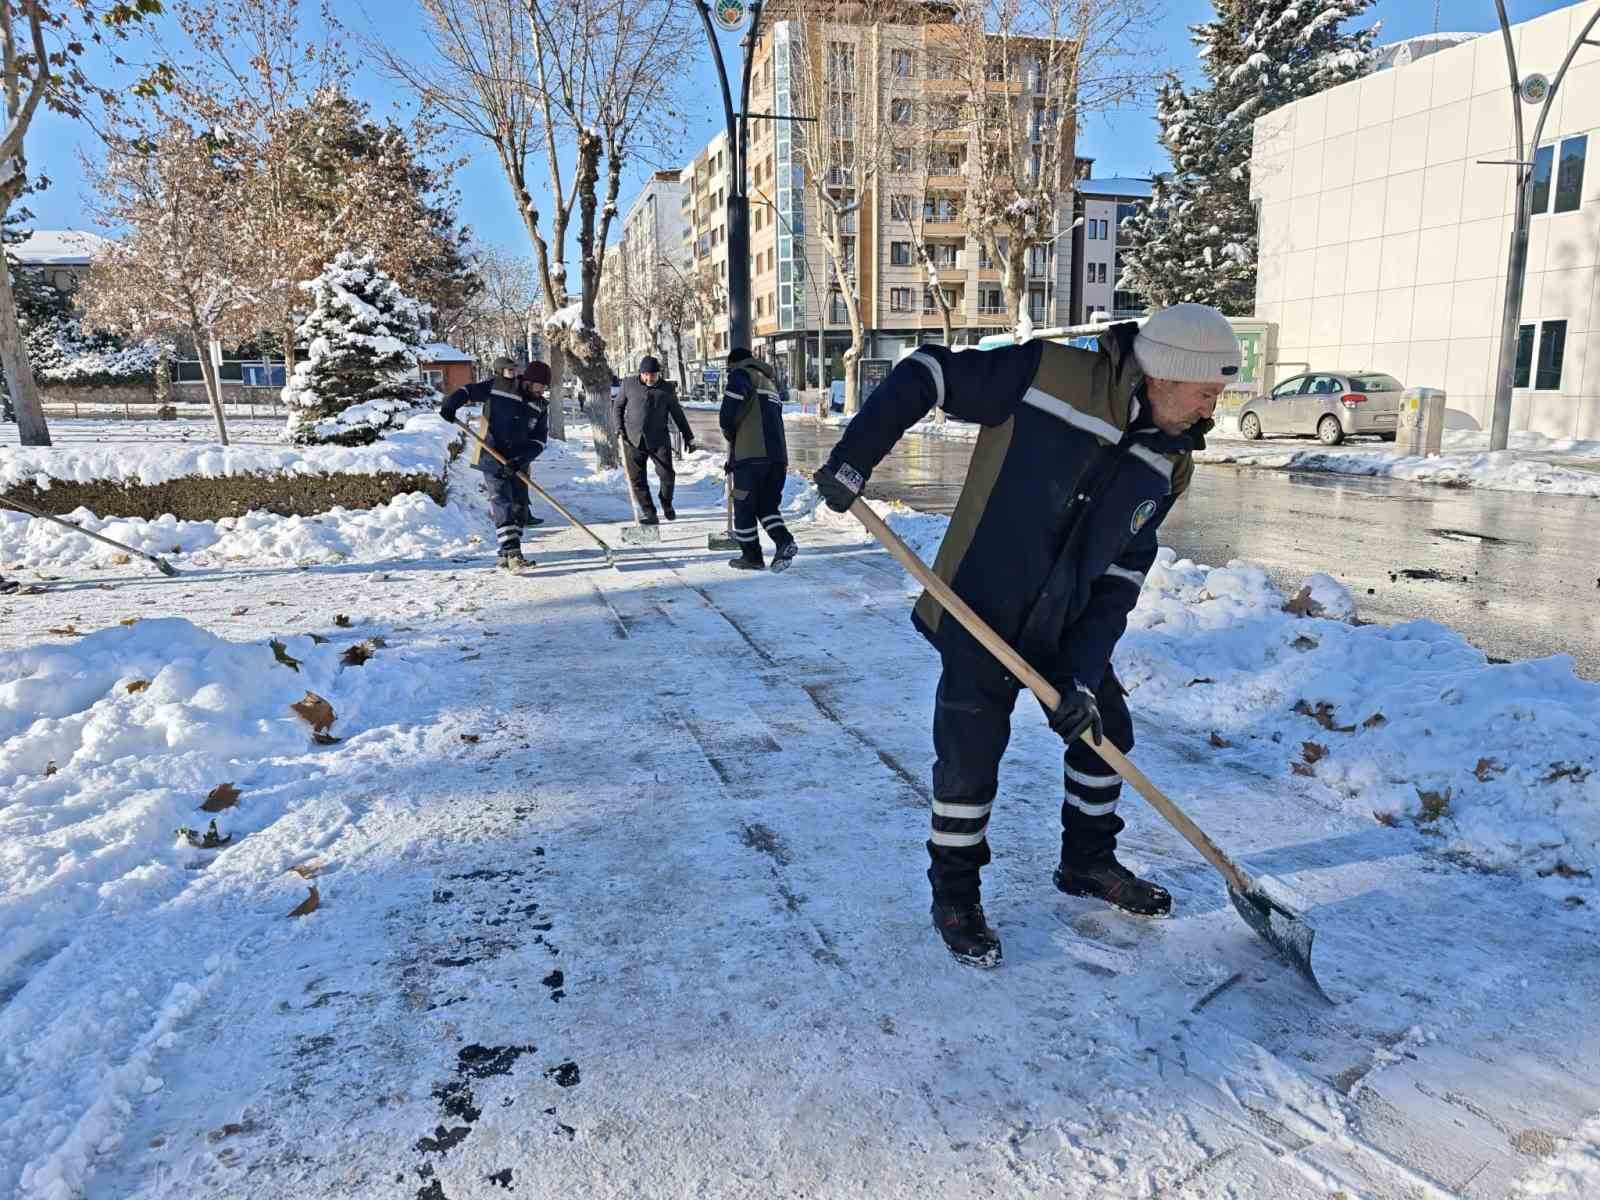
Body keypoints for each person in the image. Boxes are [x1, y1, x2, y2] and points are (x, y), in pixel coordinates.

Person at [811, 304, 1240, 968]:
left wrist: (1080, 676)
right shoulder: (1047, 374)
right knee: (969, 756)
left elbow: (1122, 577)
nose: (1213, 407)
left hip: (1065, 626)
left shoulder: (1170, 461)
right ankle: (955, 895)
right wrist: (854, 458)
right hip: (979, 607)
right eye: (1207, 390)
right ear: (1169, 374)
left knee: (1105, 737)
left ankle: (1087, 862)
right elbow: (926, 371)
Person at [441, 356, 551, 570]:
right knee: (502, 503)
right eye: (541, 386)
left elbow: (539, 441)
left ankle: (506, 553)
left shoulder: (540, 406)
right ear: (529, 380)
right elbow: (468, 392)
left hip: (517, 462)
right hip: (492, 456)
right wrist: (450, 405)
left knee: (519, 508)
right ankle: (513, 553)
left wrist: (520, 460)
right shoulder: (500, 386)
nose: (542, 391)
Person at [720, 347, 798, 572]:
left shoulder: (741, 374)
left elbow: (728, 415)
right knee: (766, 506)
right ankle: (784, 542)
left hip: (752, 455)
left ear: (733, 364)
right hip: (777, 458)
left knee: (743, 506)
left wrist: (729, 432)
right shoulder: (769, 383)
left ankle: (751, 556)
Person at [614, 355, 695, 524]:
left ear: (658, 374)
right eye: (647, 375)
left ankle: (666, 503)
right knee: (637, 479)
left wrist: (688, 437)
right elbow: (618, 407)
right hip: (632, 439)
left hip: (659, 439)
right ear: (641, 373)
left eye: (654, 375)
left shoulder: (666, 389)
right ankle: (649, 512)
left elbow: (677, 414)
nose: (650, 378)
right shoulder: (629, 384)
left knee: (667, 476)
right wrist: (619, 428)